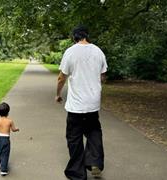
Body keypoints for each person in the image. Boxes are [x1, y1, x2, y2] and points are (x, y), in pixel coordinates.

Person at [56, 25, 108, 180]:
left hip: (76, 105)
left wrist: (58, 94)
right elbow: (103, 75)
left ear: (74, 37)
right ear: (87, 36)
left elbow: (61, 77)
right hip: (93, 103)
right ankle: (95, 161)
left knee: (74, 137)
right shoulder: (98, 51)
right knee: (94, 132)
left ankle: (77, 174)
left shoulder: (70, 52)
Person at [0, 102, 19, 176]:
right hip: (5, 140)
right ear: (8, 112)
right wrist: (17, 129)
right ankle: (3, 169)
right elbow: (13, 129)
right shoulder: (10, 121)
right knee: (5, 154)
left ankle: (2, 165)